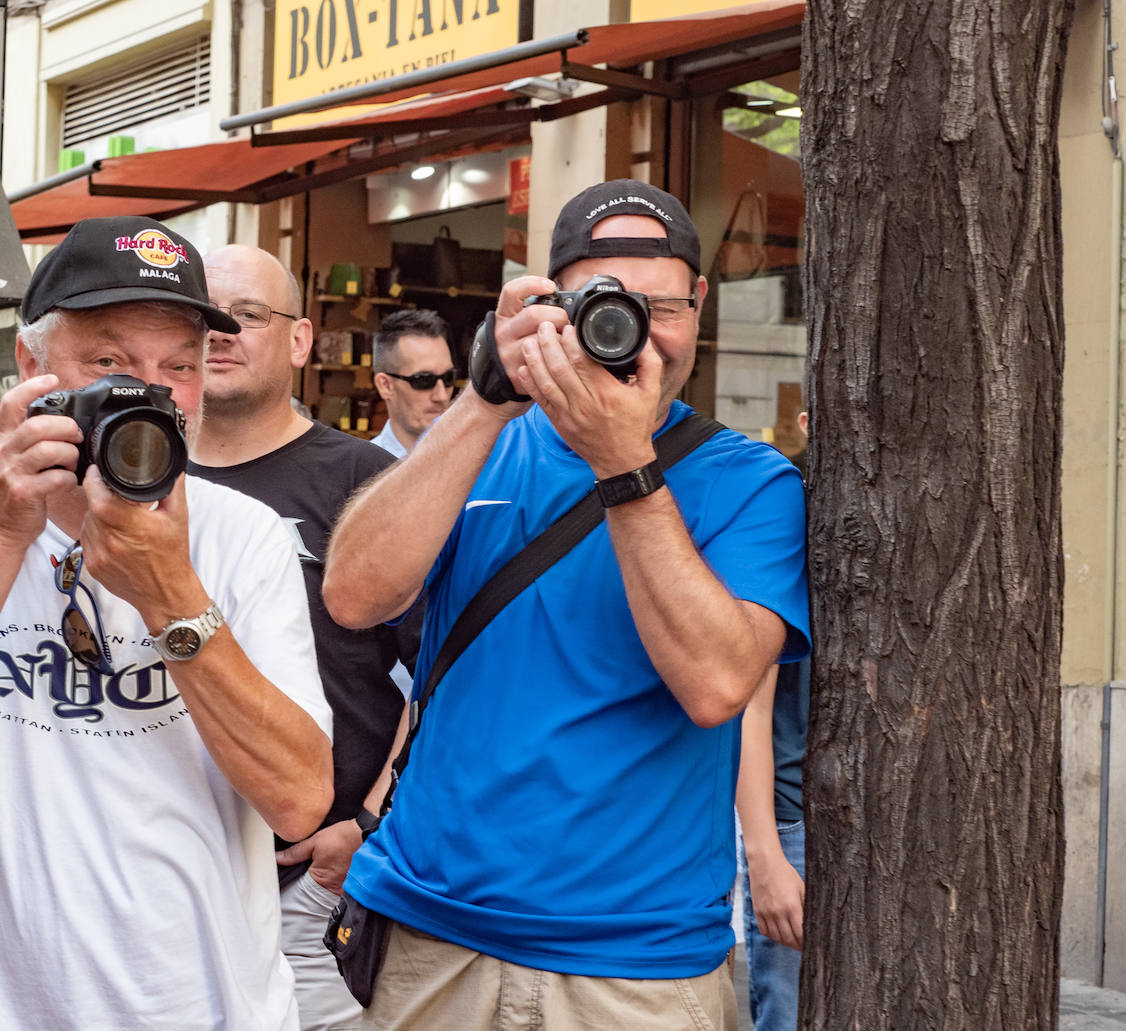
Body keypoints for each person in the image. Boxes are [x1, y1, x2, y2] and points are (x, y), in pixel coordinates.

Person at [322, 179, 809, 1029]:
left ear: (698, 304)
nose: (630, 332)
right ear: (548, 304)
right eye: (599, 302)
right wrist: (482, 397)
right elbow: (355, 595)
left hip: (636, 966)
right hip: (431, 934)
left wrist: (625, 464)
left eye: (658, 305)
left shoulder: (753, 481)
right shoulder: (485, 440)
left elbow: (718, 684)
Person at [0, 216, 334, 1031]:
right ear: (32, 367)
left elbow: (300, 799)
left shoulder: (244, 538)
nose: (150, 393)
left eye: (178, 366)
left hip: (210, 1010)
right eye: (110, 363)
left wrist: (170, 593)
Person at [188, 244, 418, 1031]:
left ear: (299, 340)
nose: (220, 333)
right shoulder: (127, 467)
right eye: (204, 316)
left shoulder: (364, 481)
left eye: (246, 316)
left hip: (308, 891)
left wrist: (369, 827)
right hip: (155, 869)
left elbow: (445, 669)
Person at [736, 408, 810, 1031]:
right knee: (785, 1016)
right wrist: (765, 855)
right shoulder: (784, 525)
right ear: (807, 425)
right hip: (794, 823)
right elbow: (749, 706)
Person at [370, 309, 455, 458]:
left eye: (448, 378)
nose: (441, 396)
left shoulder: (479, 463)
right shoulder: (361, 471)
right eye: (424, 380)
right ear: (385, 385)